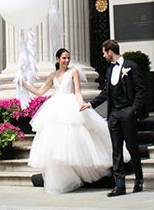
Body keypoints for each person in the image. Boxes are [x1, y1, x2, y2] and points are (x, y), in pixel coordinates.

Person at [20, 48, 114, 193]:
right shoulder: (53, 75)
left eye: (68, 58)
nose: (66, 61)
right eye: (64, 58)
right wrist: (25, 86)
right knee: (57, 142)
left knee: (75, 138)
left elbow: (77, 91)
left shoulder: (73, 72)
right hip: (55, 107)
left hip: (70, 104)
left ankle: (79, 172)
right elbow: (40, 92)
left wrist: (82, 104)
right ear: (58, 59)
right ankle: (64, 176)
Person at [81, 38, 145, 197]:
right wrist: (90, 104)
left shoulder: (131, 66)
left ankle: (139, 180)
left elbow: (140, 90)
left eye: (104, 52)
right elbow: (105, 92)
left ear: (110, 52)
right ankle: (120, 186)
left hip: (127, 112)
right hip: (113, 114)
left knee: (132, 147)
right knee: (116, 150)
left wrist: (133, 110)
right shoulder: (109, 70)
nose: (103, 55)